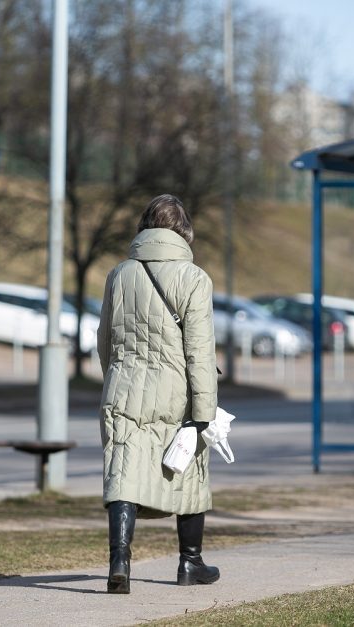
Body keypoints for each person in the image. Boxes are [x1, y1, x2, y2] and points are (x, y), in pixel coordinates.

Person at [97, 194, 220, 594]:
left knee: (123, 472)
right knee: (188, 470)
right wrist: (205, 411)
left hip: (124, 387)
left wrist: (114, 378)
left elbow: (105, 340)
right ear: (184, 231)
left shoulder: (119, 274)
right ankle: (190, 562)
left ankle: (120, 560)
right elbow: (200, 352)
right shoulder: (194, 278)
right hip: (175, 390)